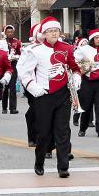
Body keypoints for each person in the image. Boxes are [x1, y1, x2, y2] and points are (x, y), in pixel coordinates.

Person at [17, 16, 80, 178]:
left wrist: (77, 79)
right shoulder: (35, 51)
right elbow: (24, 72)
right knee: (43, 132)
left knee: (63, 131)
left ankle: (63, 167)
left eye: (56, 30)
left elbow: (75, 67)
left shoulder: (67, 49)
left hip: (63, 95)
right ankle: (39, 162)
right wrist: (33, 87)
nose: (53, 33)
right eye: (50, 31)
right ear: (44, 34)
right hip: (43, 95)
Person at [74, 30, 99, 138]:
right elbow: (74, 60)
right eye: (96, 38)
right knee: (86, 106)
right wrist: (84, 66)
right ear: (92, 39)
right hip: (87, 81)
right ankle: (83, 128)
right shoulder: (83, 49)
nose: (98, 40)